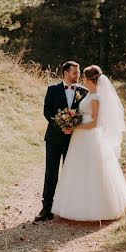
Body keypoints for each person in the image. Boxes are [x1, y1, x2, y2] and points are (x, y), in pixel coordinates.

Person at [51, 65, 126, 221]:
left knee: (92, 170)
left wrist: (75, 127)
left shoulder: (95, 98)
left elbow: (95, 123)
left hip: (90, 136)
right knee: (80, 169)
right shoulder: (90, 94)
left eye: (83, 77)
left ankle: (98, 208)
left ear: (89, 79)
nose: (81, 79)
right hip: (82, 137)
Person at [35, 61, 87, 222]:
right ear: (65, 73)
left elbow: (85, 114)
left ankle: (69, 208)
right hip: (54, 139)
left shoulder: (84, 92)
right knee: (51, 173)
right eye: (75, 73)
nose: (78, 76)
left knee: (71, 173)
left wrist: (74, 127)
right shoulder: (52, 89)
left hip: (75, 140)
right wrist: (62, 127)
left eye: (78, 73)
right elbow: (47, 112)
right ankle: (47, 208)